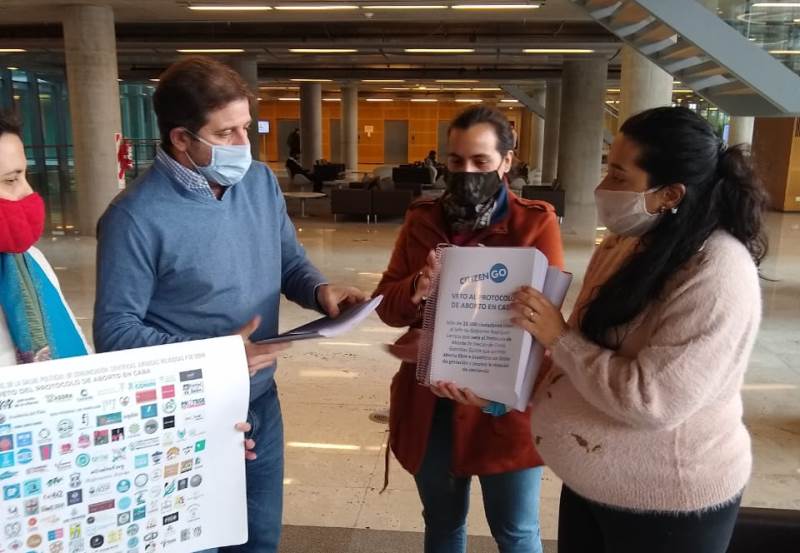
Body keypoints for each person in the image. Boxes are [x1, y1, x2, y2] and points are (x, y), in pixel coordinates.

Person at [93, 57, 367, 553]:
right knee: (196, 543)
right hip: (181, 416)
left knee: (259, 540)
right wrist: (216, 357)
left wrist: (319, 290)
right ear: (181, 138)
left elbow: (289, 261)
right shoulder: (133, 217)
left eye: (246, 128)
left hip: (259, 398)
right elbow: (115, 332)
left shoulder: (259, 182)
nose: (244, 144)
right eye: (226, 134)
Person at [512, 106, 767, 553]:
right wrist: (505, 385)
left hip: (666, 503)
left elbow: (653, 400)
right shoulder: (626, 242)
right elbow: (586, 348)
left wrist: (559, 338)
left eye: (618, 175)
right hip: (593, 482)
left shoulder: (717, 272)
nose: (602, 188)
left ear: (670, 193)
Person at [375, 105, 564, 553]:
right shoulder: (423, 218)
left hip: (504, 405)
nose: (467, 173)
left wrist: (449, 347)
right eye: (456, 161)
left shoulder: (534, 222)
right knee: (443, 523)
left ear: (506, 161)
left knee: (516, 530)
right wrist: (418, 287)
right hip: (432, 403)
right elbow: (387, 308)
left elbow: (544, 325)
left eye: (481, 161)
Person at [0, 110, 88, 364]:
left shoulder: (31, 260)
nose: (27, 191)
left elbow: (79, 346)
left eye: (25, 176)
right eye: (11, 180)